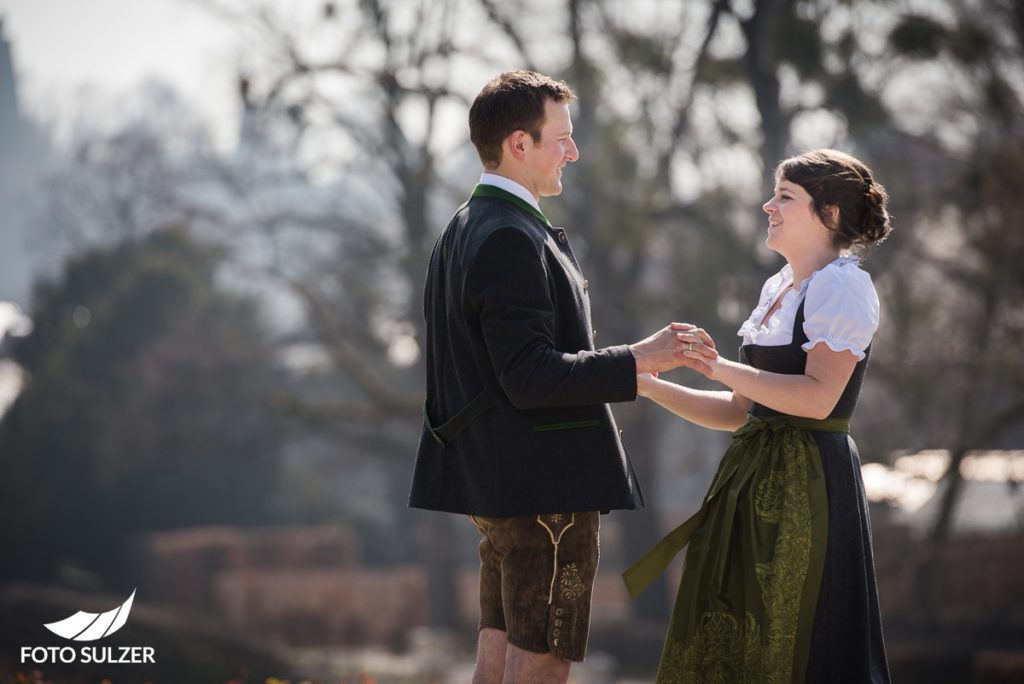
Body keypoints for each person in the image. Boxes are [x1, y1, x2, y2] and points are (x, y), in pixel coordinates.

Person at [409, 70, 716, 684]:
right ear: (520, 144)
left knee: (498, 650)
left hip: (508, 487)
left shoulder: (464, 228)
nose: (573, 151)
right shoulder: (507, 237)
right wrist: (640, 358)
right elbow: (529, 376)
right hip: (545, 492)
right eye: (562, 138)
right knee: (544, 659)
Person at [623, 149, 893, 683]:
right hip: (753, 477)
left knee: (799, 635)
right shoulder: (779, 289)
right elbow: (740, 413)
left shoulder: (841, 285)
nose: (768, 205)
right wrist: (650, 387)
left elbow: (817, 399)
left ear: (830, 213)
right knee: (739, 629)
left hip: (811, 484)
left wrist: (718, 365)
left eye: (785, 196)